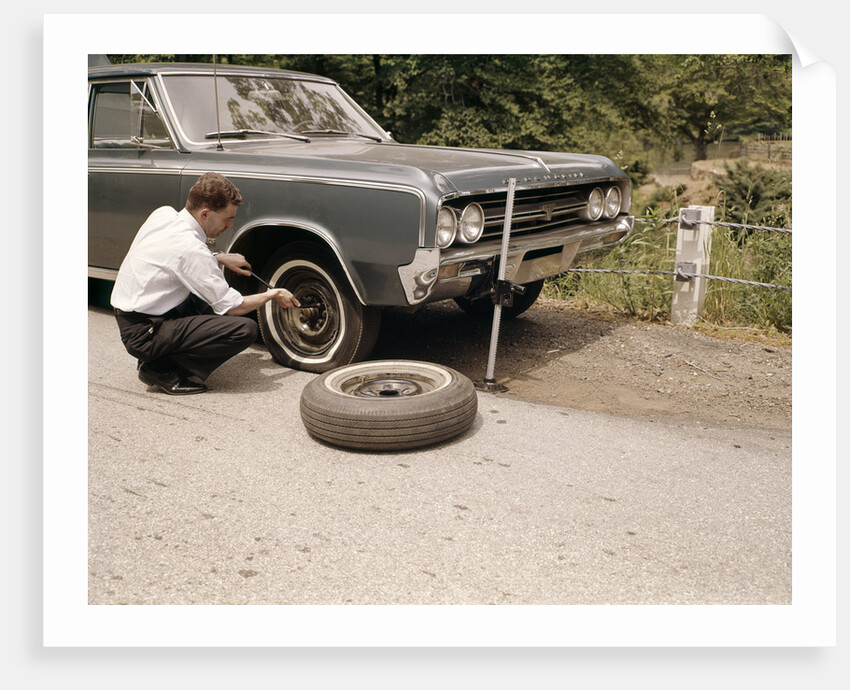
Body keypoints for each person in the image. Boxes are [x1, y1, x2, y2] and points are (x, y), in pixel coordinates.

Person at [111, 172, 300, 395]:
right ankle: (160, 369)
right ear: (205, 213)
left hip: (134, 315)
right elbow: (233, 307)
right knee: (243, 329)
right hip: (144, 332)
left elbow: (174, 255)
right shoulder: (191, 249)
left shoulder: (164, 214)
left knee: (207, 299)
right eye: (227, 218)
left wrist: (218, 257)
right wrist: (273, 294)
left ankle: (162, 356)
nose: (230, 225)